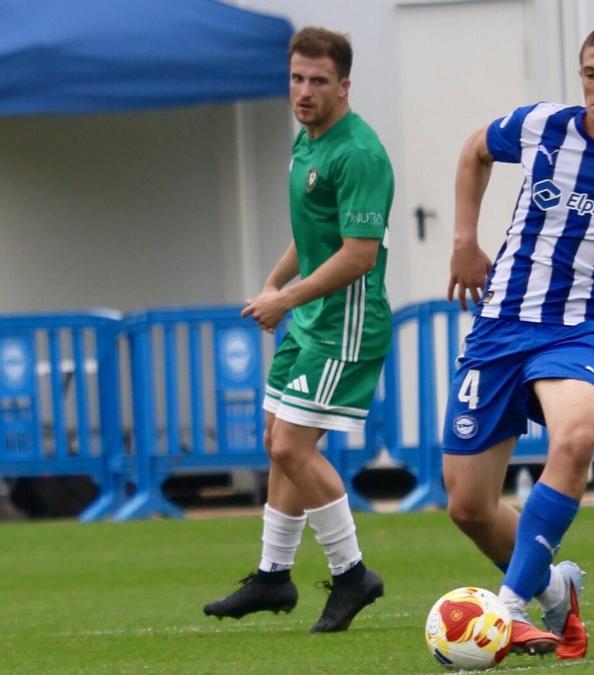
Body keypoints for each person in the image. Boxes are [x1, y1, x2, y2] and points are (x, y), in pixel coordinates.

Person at [441, 22, 594, 660]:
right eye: (590, 74)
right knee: (468, 506)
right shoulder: (542, 126)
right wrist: (465, 241)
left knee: (576, 436)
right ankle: (556, 588)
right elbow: (474, 149)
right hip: (501, 322)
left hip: (582, 327)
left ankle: (506, 609)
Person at [203, 27, 394, 633]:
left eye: (317, 81)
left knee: (292, 447)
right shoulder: (306, 141)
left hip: (345, 325)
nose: (303, 92)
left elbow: (358, 255)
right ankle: (272, 575)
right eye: (296, 79)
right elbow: (311, 234)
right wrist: (272, 284)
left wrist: (284, 299)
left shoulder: (357, 152)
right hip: (311, 317)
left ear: (344, 85)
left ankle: (351, 573)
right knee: (275, 443)